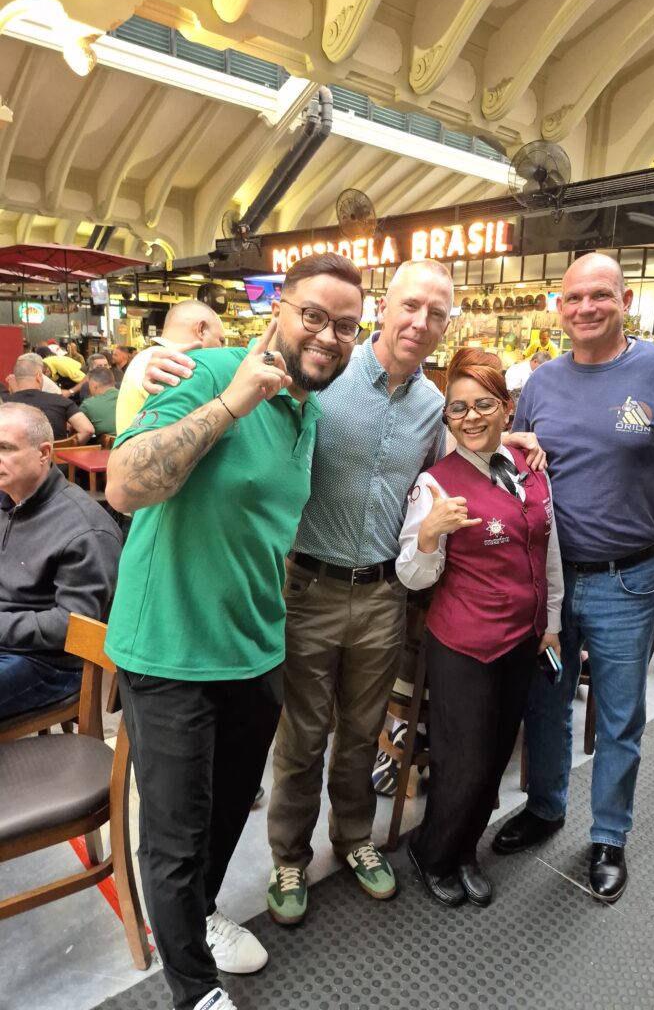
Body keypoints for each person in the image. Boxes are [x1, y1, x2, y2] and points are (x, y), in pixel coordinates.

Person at [141, 258, 544, 928]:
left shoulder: (432, 405)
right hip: (307, 587)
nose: (420, 322)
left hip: (384, 593)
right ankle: (289, 857)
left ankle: (354, 838)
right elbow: (248, 371)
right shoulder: (323, 374)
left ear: (446, 326)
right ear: (384, 308)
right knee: (302, 738)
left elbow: (459, 457)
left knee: (361, 733)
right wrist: (153, 366)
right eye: (410, 305)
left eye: (436, 313)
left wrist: (512, 439)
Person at [104, 252, 362, 1010]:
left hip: (254, 648)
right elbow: (124, 486)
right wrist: (230, 404)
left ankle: (199, 917)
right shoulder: (215, 371)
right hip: (171, 648)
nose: (328, 335)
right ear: (278, 310)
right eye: (313, 315)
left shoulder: (309, 412)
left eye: (346, 326)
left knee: (224, 818)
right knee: (176, 837)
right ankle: (193, 990)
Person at [492, 253, 654, 903]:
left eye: (600, 295)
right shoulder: (542, 382)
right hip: (549, 582)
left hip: (628, 580)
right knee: (546, 702)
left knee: (620, 715)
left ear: (625, 301)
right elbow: (521, 468)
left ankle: (608, 836)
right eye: (573, 298)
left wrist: (652, 509)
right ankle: (546, 808)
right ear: (558, 307)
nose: (586, 307)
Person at [396, 348, 563, 908]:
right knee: (462, 761)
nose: (470, 417)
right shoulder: (436, 485)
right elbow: (413, 576)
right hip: (464, 645)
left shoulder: (529, 469)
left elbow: (549, 551)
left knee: (493, 758)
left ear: (507, 407)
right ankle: (432, 851)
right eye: (458, 408)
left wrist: (551, 623)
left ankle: (464, 848)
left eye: (483, 404)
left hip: (521, 638)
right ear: (447, 416)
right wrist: (428, 536)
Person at [0, 403, 122, 721]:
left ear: (43, 453)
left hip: (51, 664)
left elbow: (71, 626)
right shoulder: (7, 499)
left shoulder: (85, 529)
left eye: (5, 448)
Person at [115, 301, 225, 433]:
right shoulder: (166, 365)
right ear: (201, 329)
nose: (222, 349)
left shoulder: (147, 358)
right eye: (221, 341)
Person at [4, 355, 94, 442]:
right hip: (56, 452)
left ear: (15, 379)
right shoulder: (61, 401)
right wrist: (68, 445)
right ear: (39, 377)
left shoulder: (4, 406)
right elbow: (87, 430)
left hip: (18, 452)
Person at [80, 366, 118, 435]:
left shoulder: (88, 405)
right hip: (135, 439)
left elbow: (77, 433)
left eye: (89, 386)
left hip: (110, 442)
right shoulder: (130, 397)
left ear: (94, 386)